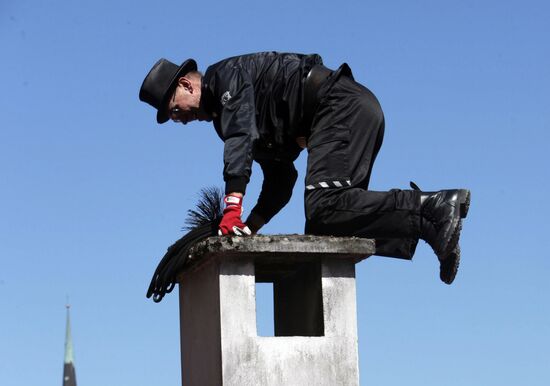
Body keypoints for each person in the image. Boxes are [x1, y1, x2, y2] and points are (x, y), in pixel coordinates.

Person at [139, 52, 470, 284]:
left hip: (341, 107)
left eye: (174, 111)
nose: (179, 120)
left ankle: (434, 206)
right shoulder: (229, 113)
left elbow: (239, 136)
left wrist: (232, 209)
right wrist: (250, 227)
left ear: (186, 84)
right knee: (327, 227)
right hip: (351, 113)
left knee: (325, 206)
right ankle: (426, 225)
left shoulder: (225, 78)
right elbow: (282, 177)